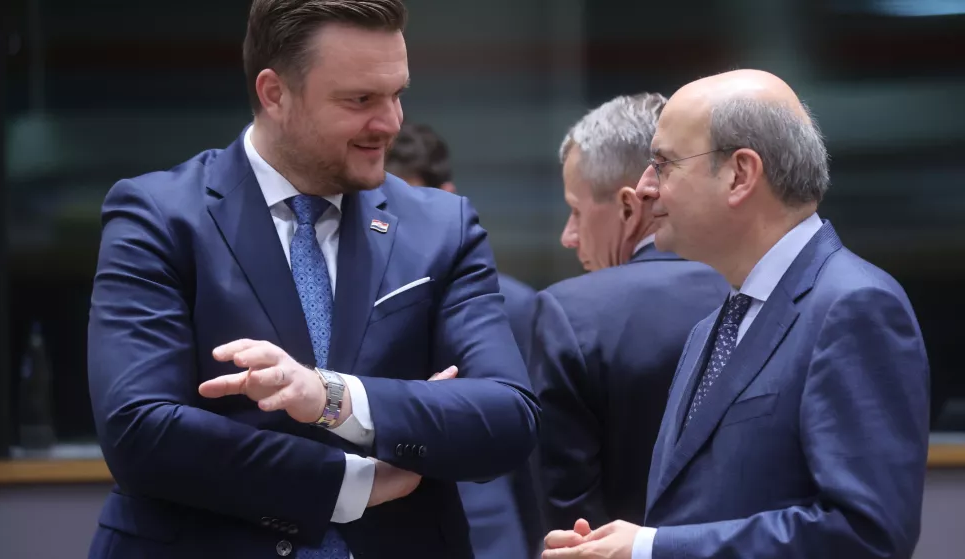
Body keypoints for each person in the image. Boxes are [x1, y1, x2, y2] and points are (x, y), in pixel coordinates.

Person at [86, 2, 539, 558]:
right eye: (360, 100)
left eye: (397, 93)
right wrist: (351, 482)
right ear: (275, 93)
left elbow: (506, 417)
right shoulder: (159, 215)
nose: (391, 122)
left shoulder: (443, 226)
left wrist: (334, 398)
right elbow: (140, 431)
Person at [543, 69, 930, 559]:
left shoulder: (854, 306)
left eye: (662, 164)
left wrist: (651, 550)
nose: (643, 188)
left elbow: (866, 536)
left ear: (740, 174)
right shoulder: (717, 322)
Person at [530, 94, 729, 531]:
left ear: (628, 205)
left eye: (576, 211)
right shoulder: (760, 289)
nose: (569, 235)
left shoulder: (572, 313)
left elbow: (573, 523)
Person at [386, 121, 543, 559]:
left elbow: (533, 449)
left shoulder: (513, 304)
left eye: (408, 204)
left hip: (491, 535)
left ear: (447, 196)